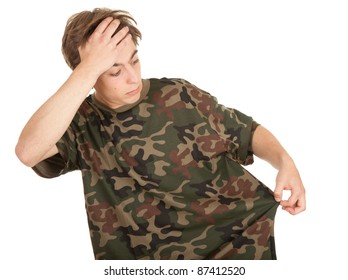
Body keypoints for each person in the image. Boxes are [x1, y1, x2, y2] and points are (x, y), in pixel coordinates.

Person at [15, 8, 306, 260]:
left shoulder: (178, 93)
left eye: (135, 60)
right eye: (114, 71)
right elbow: (28, 152)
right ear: (87, 75)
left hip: (235, 248)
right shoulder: (80, 124)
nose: (132, 77)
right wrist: (88, 67)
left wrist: (285, 162)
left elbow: (246, 131)